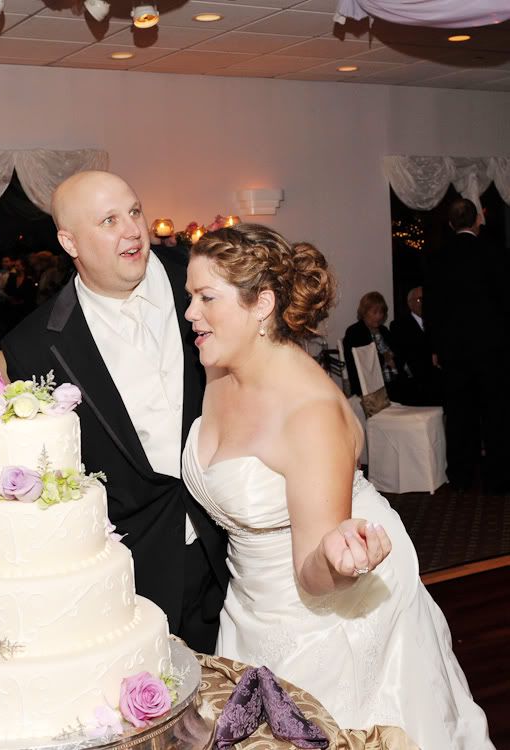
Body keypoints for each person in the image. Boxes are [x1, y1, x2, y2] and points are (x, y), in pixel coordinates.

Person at [181, 224, 494, 750]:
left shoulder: (309, 413)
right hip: (249, 598)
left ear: (262, 304)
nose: (190, 312)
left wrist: (341, 560)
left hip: (319, 611)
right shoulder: (218, 367)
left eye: (206, 297)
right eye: (190, 296)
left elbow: (314, 577)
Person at [1, 170, 228, 653]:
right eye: (109, 220)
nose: (132, 230)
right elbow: (53, 476)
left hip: (232, 547)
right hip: (133, 571)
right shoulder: (33, 345)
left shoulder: (203, 281)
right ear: (70, 242)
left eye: (134, 212)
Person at [425, 198, 508, 493]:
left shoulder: (438, 257)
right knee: (495, 413)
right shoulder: (494, 252)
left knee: (459, 414)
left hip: (454, 351)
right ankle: (498, 478)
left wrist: (436, 347)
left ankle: (460, 476)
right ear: (476, 222)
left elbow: (431, 308)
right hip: (491, 350)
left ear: (450, 224)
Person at [343, 291, 414, 404]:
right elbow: (363, 363)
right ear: (364, 312)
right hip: (373, 389)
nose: (379, 316)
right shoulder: (355, 332)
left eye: (381, 312)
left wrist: (392, 360)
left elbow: (399, 355)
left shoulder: (384, 331)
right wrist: (386, 358)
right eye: (375, 312)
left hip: (395, 382)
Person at [390, 286, 443, 406]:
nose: (424, 303)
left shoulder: (436, 323)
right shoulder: (399, 325)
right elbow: (407, 355)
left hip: (438, 379)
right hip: (417, 384)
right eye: (420, 299)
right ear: (410, 303)